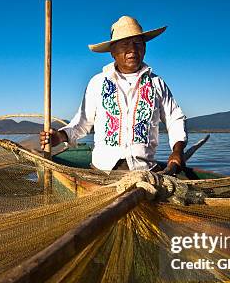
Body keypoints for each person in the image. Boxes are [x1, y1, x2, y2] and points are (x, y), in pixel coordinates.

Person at [40, 16, 187, 173]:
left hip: (145, 172)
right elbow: (82, 123)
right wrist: (59, 136)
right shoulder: (98, 83)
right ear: (112, 51)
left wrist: (177, 151)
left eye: (137, 43)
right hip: (103, 172)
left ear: (144, 48)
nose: (132, 49)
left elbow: (175, 119)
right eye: (124, 44)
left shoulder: (156, 84)